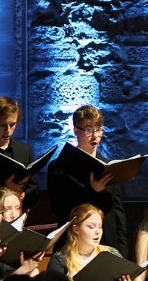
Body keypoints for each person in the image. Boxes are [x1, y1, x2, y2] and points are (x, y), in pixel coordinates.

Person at [47, 105, 129, 256]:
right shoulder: (59, 167)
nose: (95, 136)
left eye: (98, 130)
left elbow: (118, 213)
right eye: (89, 130)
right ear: (76, 131)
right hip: (73, 245)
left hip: (106, 243)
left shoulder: (109, 167)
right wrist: (92, 192)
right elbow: (60, 209)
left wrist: (123, 254)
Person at [45, 203, 136, 281]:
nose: (97, 232)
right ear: (76, 228)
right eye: (91, 227)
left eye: (100, 226)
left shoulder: (110, 253)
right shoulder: (61, 259)